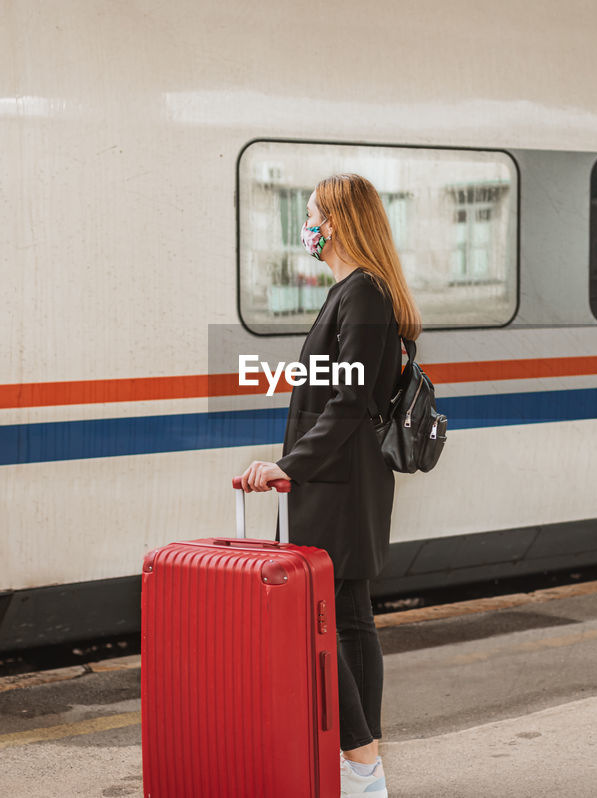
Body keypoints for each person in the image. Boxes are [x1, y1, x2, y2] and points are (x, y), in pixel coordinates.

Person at [240, 173, 420, 798]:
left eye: (312, 213)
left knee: (330, 625)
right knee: (350, 623)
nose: (306, 225)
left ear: (337, 222)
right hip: (342, 482)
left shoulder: (363, 295)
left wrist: (289, 466)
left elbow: (348, 406)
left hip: (339, 487)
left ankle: (363, 767)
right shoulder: (354, 292)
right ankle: (364, 767)